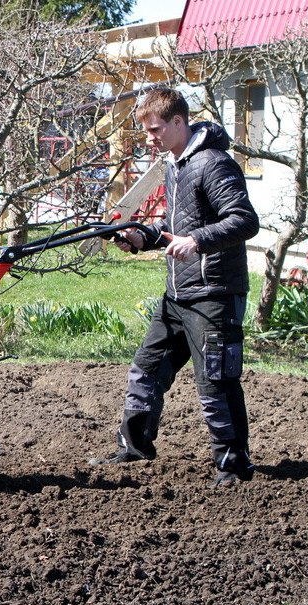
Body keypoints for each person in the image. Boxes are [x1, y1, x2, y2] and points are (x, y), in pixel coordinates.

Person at [91, 87, 260, 487]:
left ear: (179, 122)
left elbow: (244, 220)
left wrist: (197, 240)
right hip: (179, 294)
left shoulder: (213, 164)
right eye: (147, 131)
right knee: (146, 370)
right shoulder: (176, 164)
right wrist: (142, 238)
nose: (149, 138)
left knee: (215, 381)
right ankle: (135, 447)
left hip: (214, 294)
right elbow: (176, 226)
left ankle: (233, 467)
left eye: (155, 130)